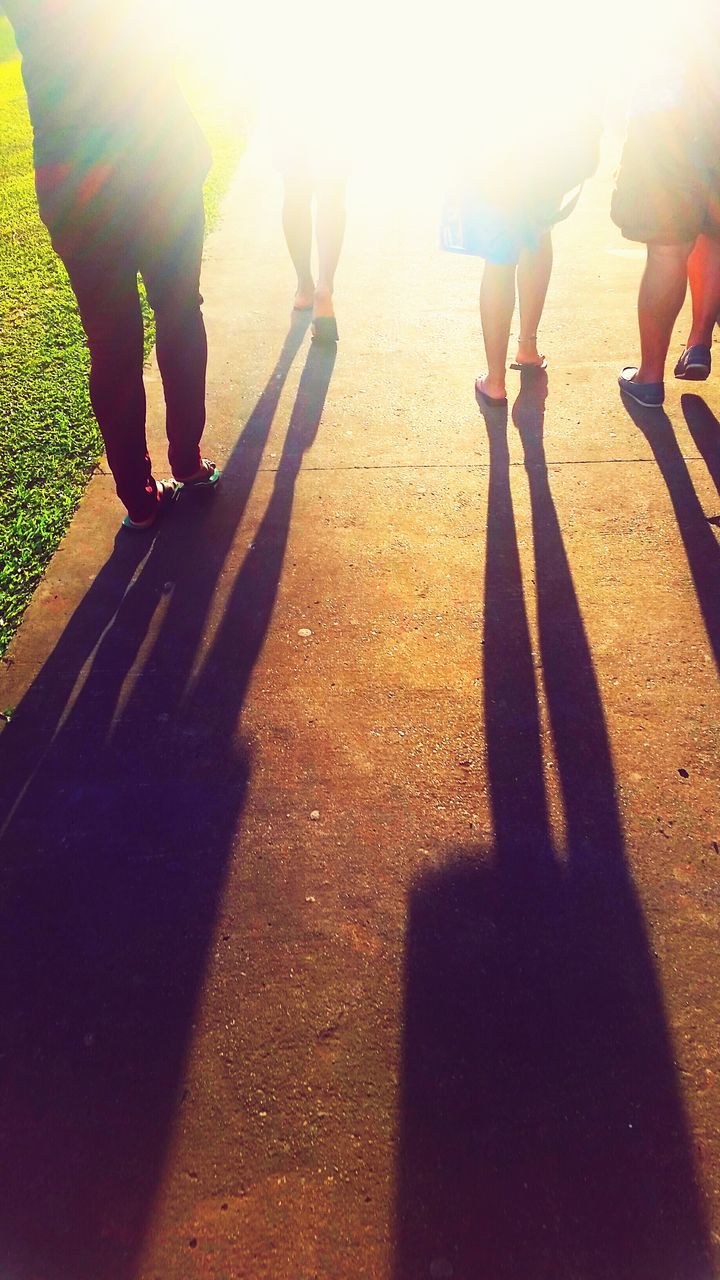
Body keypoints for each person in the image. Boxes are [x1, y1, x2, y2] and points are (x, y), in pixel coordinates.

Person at [4, 0, 220, 530]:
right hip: (158, 164)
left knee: (113, 342)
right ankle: (187, 464)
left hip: (77, 184)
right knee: (179, 314)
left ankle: (140, 499)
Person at [613, 10, 720, 408]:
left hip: (667, 118)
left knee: (667, 249)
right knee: (714, 232)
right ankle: (698, 343)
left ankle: (650, 378)